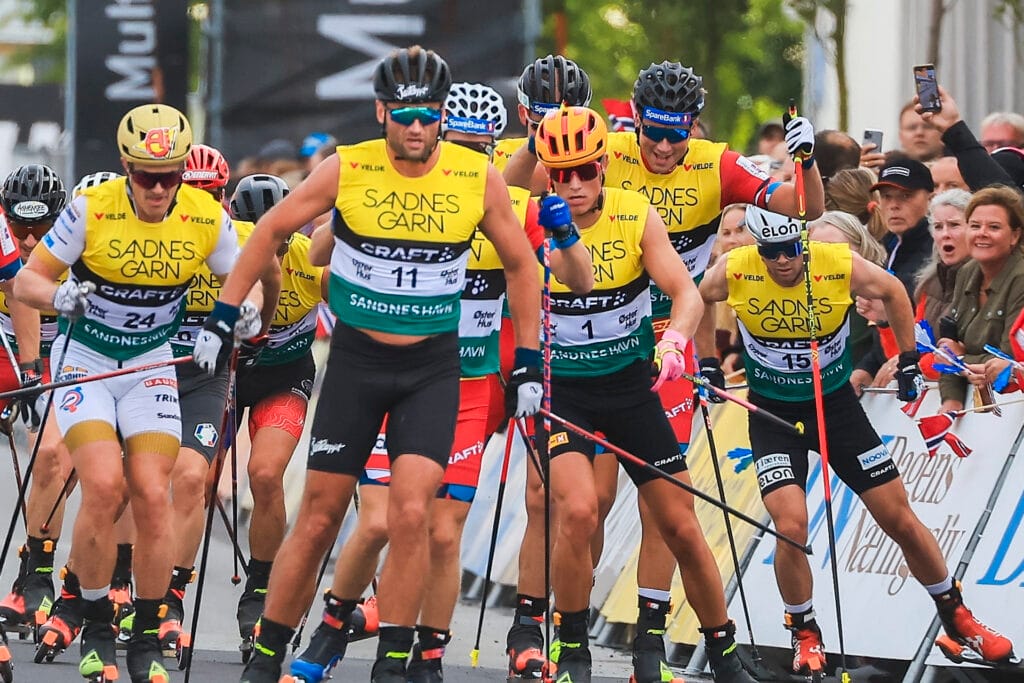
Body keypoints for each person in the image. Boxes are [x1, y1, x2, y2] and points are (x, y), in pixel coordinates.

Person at [200, 46, 543, 683]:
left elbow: (522, 265)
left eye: (429, 115)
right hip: (358, 364)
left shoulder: (476, 176)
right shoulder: (347, 167)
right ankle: (270, 653)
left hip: (432, 370)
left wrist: (524, 359)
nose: (417, 128)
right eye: (405, 114)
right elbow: (273, 229)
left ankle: (392, 662)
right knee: (325, 516)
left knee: (412, 515)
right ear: (382, 110)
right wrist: (224, 316)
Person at [287, 82, 592, 683]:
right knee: (378, 521)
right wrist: (344, 220)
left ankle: (426, 653)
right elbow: (319, 259)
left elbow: (576, 281)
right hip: (390, 374)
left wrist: (564, 233)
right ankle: (331, 626)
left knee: (444, 530)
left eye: (486, 148)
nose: (474, 158)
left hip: (469, 386)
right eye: (463, 144)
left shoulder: (504, 202)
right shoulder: (407, 192)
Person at [699, 205, 1015, 677]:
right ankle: (804, 631)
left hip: (836, 409)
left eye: (791, 250)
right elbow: (695, 298)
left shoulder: (835, 262)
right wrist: (706, 361)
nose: (783, 261)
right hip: (773, 414)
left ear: (803, 243)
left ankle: (957, 616)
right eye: (772, 253)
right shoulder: (736, 268)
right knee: (791, 524)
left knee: (898, 515)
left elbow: (893, 291)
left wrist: (909, 357)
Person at [520, 104, 753, 683]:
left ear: (604, 166)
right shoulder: (526, 217)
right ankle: (571, 647)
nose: (574, 185)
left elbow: (686, 290)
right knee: (576, 510)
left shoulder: (634, 212)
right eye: (560, 173)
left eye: (586, 172)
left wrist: (676, 340)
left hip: (630, 384)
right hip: (561, 389)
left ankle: (721, 648)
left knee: (680, 519)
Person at [15, 103, 245, 683]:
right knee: (103, 485)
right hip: (87, 358)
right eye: (147, 176)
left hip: (148, 363)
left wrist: (238, 319)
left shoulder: (202, 216)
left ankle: (143, 633)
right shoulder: (90, 209)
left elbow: (245, 279)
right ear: (126, 168)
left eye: (170, 176)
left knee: (150, 493)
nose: (160, 189)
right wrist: (58, 297)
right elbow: (26, 279)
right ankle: (94, 624)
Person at [149, 150, 279, 662]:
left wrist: (259, 325)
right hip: (160, 367)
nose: (204, 203)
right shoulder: (161, 231)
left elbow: (273, 273)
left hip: (230, 372)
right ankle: (109, 583)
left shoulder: (239, 237)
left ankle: (180, 599)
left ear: (226, 198)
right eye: (193, 192)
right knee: (143, 481)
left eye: (213, 194)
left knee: (211, 478)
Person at [228, 174, 326, 658]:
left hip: (283, 376)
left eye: (283, 235)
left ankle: (261, 588)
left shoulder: (308, 260)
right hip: (225, 376)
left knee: (265, 474)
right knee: (195, 482)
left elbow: (358, 304)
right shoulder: (221, 256)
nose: (275, 245)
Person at [0, 164, 68, 639]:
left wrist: (33, 373)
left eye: (38, 229)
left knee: (51, 456)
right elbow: (16, 293)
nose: (27, 241)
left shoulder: (75, 238)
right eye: (18, 228)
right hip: (7, 346)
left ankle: (37, 571)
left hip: (60, 351)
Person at [937, 185, 1024, 412]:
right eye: (975, 226)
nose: (981, 233)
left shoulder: (1021, 278)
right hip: (978, 410)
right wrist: (951, 402)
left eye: (993, 227)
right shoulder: (967, 272)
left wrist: (962, 359)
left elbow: (1009, 361)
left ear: (1015, 235)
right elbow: (947, 348)